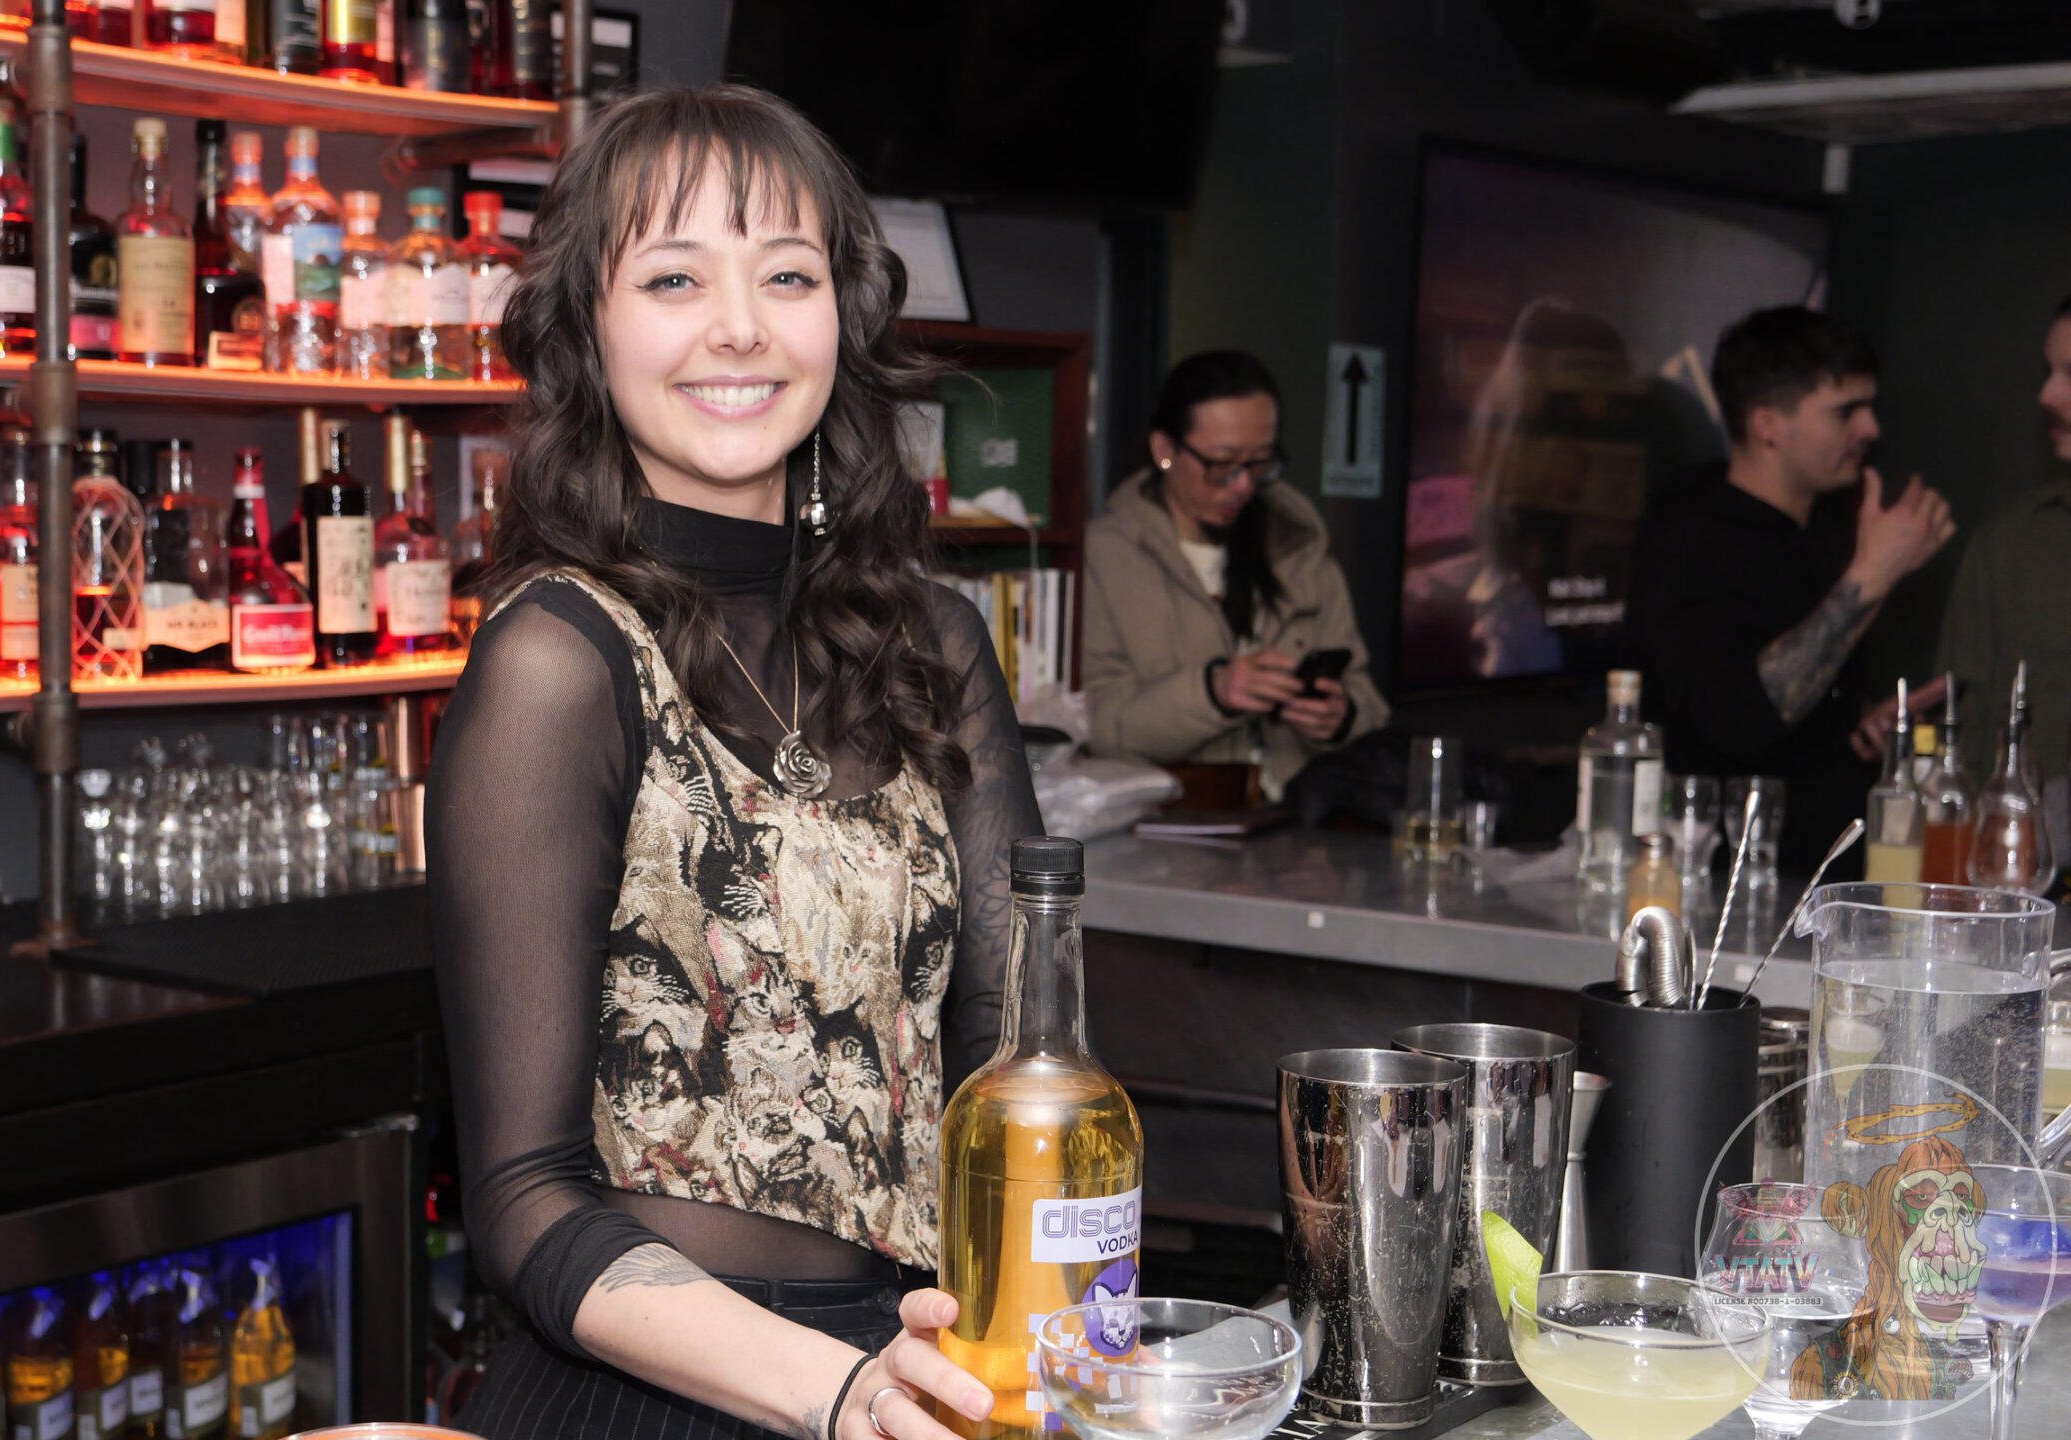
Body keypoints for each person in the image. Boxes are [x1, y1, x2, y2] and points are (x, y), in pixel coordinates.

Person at [427, 87, 1037, 1440]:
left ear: (842, 318)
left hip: (920, 1373)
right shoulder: (560, 660)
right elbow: (521, 1196)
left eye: (787, 275)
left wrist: (1025, 1334)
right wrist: (834, 1390)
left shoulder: (931, 641)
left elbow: (1018, 1050)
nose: (740, 326)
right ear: (589, 328)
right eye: (673, 277)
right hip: (656, 1398)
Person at [1623, 307, 1954, 871]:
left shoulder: (1830, 522)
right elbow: (1737, 719)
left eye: (1869, 406)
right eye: (1846, 411)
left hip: (1831, 869)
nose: (1870, 428)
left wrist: (1862, 717)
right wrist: (1872, 576)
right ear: (1768, 424)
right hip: (1728, 884)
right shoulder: (1689, 535)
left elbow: (1806, 684)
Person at [1082, 350, 1388, 794]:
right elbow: (1096, 727)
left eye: (1261, 462)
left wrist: (1342, 717)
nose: (1243, 484)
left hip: (1301, 816)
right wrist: (1213, 692)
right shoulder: (1104, 556)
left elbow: (1371, 706)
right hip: (1178, 821)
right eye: (1222, 463)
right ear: (1165, 449)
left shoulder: (1300, 548)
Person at [1935, 296, 2071, 779]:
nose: (2047, 395)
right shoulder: (2012, 541)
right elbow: (1958, 736)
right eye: (2048, 371)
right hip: (2017, 825)